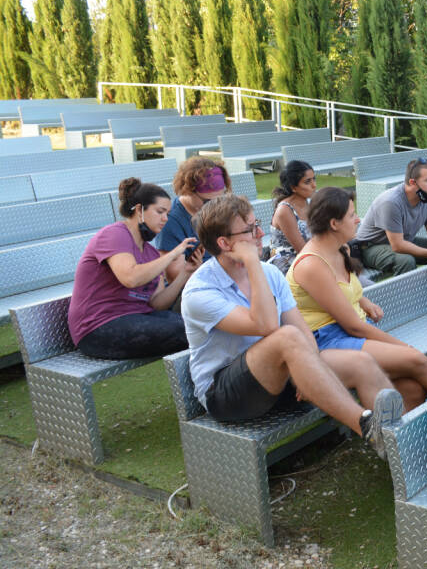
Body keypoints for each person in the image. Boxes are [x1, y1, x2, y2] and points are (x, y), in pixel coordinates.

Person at [181, 193, 402, 456]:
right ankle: (366, 426)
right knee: (285, 336)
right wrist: (252, 261)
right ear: (225, 243)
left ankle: (401, 448)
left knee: (361, 363)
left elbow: (303, 332)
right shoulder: (200, 291)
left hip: (278, 376)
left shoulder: (270, 273)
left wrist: (305, 371)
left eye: (257, 223)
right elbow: (264, 325)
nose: (261, 232)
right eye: (250, 230)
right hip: (227, 393)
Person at [288, 187, 427, 411]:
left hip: (352, 329)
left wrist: (364, 301)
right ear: (334, 224)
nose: (358, 219)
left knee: (412, 389)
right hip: (327, 341)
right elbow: (354, 327)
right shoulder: (311, 265)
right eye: (352, 215)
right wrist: (407, 348)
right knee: (418, 361)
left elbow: (343, 289)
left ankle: (409, 444)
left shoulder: (340, 248)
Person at [68, 178, 203, 359]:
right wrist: (172, 254)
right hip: (98, 328)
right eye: (160, 212)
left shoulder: (151, 253)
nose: (165, 219)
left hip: (137, 318)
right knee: (192, 331)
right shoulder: (114, 234)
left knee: (200, 323)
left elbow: (156, 303)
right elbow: (130, 278)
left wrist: (186, 272)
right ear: (139, 210)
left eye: (168, 214)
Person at [350, 158, 427, 276]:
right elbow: (398, 245)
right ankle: (406, 294)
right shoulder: (391, 202)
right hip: (370, 247)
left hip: (402, 240)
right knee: (406, 261)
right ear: (412, 182)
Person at [155, 157, 231, 282]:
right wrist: (198, 269)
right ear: (188, 191)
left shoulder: (218, 209)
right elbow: (173, 277)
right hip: (194, 287)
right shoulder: (171, 222)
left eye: (220, 199)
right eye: (208, 201)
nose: (216, 206)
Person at [268, 160, 316, 274]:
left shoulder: (309, 202)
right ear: (293, 187)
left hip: (310, 256)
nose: (314, 185)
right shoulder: (284, 210)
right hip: (287, 263)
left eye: (314, 179)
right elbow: (302, 250)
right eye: (307, 182)